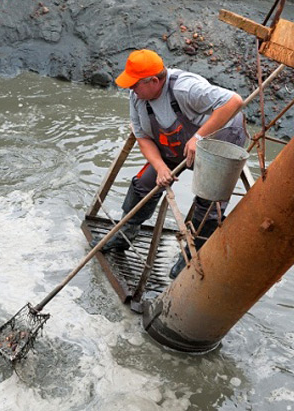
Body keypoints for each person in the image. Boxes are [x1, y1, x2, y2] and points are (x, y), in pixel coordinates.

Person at [93, 49, 246, 279]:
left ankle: (190, 255)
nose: (130, 90)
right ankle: (125, 234)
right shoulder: (138, 97)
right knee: (144, 183)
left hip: (218, 139)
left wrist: (199, 138)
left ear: (154, 81)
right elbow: (143, 136)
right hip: (174, 143)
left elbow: (234, 101)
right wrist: (161, 167)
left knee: (209, 204)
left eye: (134, 85)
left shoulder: (185, 88)